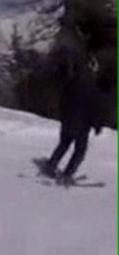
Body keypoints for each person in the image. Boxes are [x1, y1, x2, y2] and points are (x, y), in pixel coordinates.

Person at [39, 52, 104, 185]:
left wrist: (63, 117)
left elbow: (63, 101)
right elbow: (93, 108)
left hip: (68, 121)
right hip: (82, 124)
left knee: (64, 144)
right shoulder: (91, 84)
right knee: (80, 151)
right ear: (92, 67)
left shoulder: (71, 80)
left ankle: (50, 165)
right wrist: (97, 125)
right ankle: (67, 174)